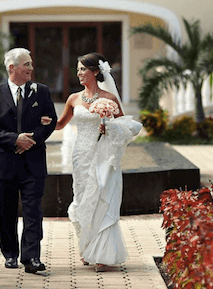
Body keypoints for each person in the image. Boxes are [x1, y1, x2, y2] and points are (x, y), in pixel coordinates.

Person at [55, 52, 143, 272]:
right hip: (81, 155)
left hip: (103, 155)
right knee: (83, 199)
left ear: (95, 71)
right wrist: (39, 120)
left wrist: (109, 127)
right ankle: (86, 248)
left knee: (102, 198)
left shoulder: (110, 98)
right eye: (77, 70)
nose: (79, 74)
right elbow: (59, 125)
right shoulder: (73, 98)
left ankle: (102, 254)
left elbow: (126, 127)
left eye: (83, 69)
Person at [0, 47, 57, 274]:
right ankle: (10, 254)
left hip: (33, 163)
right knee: (6, 212)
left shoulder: (41, 92)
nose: (31, 69)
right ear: (12, 67)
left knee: (33, 211)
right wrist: (16, 140)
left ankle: (31, 258)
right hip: (4, 164)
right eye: (27, 65)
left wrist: (31, 141)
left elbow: (50, 121)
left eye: (31, 65)